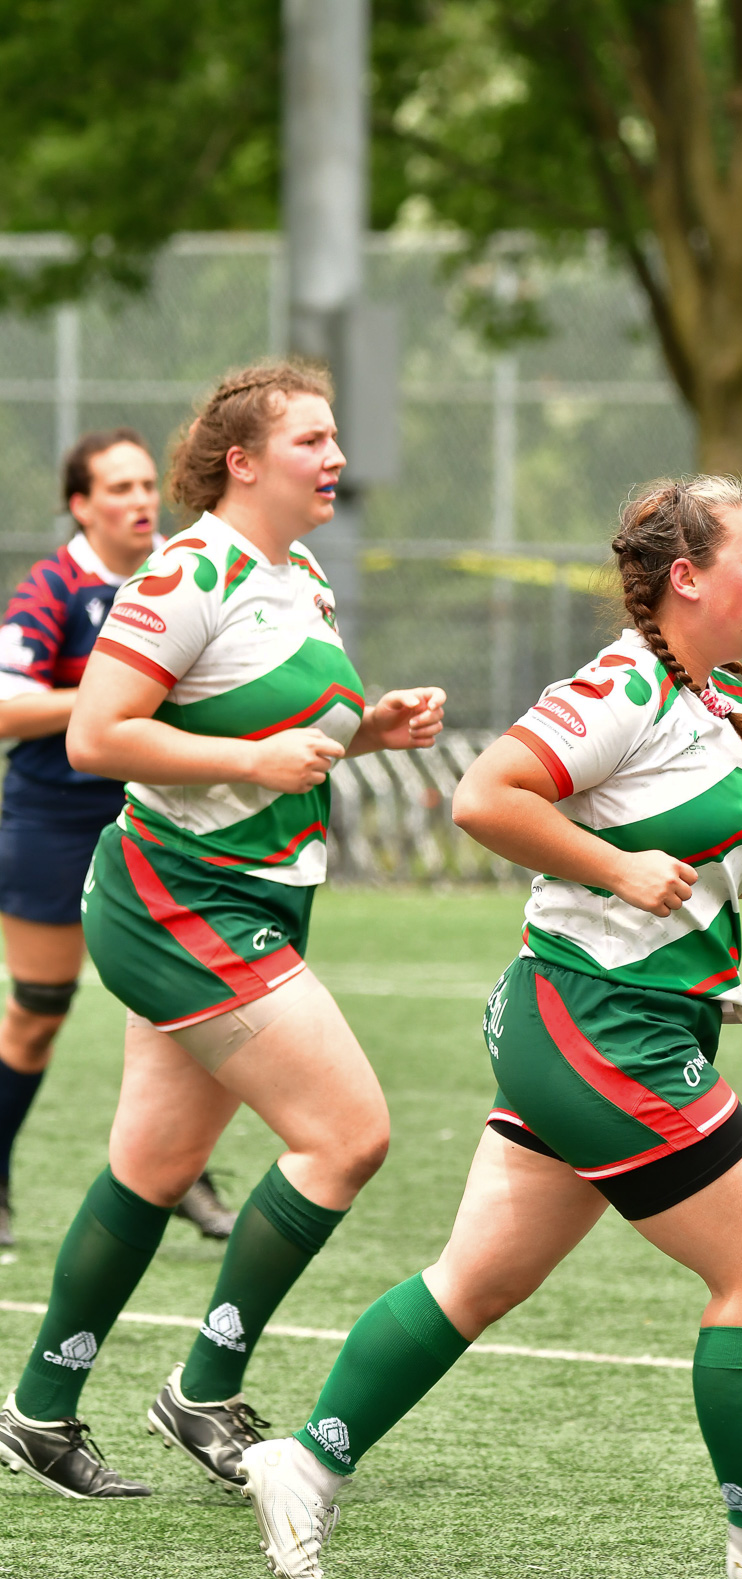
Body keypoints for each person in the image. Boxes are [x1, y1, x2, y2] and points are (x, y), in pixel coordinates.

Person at [236, 474, 742, 1579]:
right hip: (602, 1029)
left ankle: (302, 1462)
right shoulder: (623, 684)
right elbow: (484, 798)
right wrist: (615, 868)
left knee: (475, 1281)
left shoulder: (711, 695)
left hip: (600, 1025)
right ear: (687, 579)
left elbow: (673, 853)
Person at [0, 360, 445, 1500]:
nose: (336, 456)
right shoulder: (189, 569)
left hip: (250, 899)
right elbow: (98, 734)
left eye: (337, 436)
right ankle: (204, 1389)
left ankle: (39, 1412)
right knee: (348, 1135)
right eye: (312, 439)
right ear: (243, 461)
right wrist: (250, 758)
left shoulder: (296, 574)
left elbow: (270, 718)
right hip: (177, 902)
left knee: (153, 1168)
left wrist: (368, 732)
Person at [0, 430, 234, 1245]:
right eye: (119, 488)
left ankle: (184, 1177)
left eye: (146, 485)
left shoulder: (183, 572)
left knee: (184, 1000)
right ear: (80, 505)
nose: (141, 501)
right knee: (38, 1008)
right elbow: (6, 706)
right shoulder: (52, 588)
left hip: (160, 818)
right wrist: (109, 695)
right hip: (54, 821)